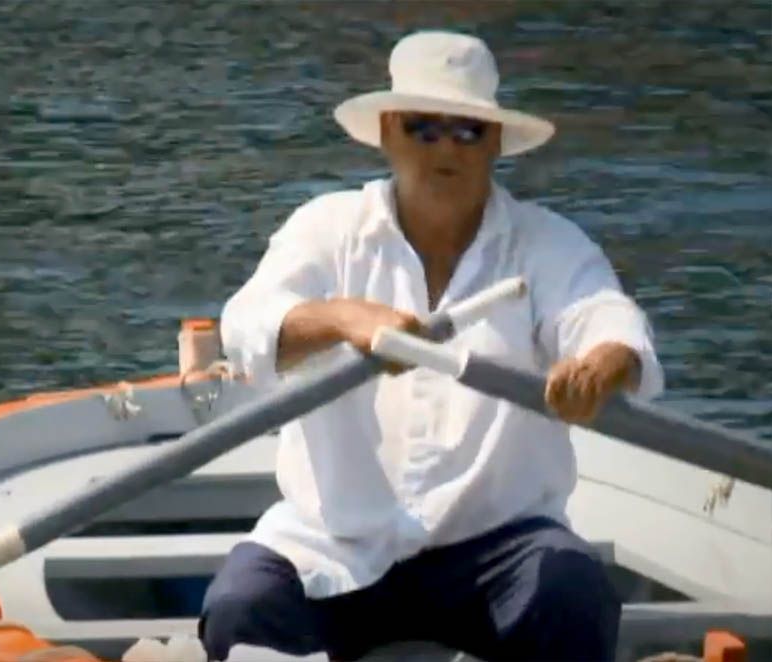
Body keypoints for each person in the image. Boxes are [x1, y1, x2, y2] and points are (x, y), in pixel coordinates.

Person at [199, 30, 665, 662]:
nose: (446, 147)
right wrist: (344, 320)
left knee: (571, 594)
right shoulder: (325, 228)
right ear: (388, 132)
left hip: (500, 546)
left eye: (468, 131)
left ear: (495, 143)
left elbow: (605, 317)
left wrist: (601, 366)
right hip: (335, 542)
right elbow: (247, 326)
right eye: (423, 127)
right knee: (240, 608)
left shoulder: (547, 243)